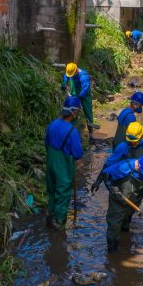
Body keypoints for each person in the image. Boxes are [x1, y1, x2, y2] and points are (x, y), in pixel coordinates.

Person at [97, 154, 143, 253]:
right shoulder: (123, 167)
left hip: (141, 196)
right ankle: (112, 254)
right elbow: (105, 175)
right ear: (138, 166)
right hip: (119, 197)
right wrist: (111, 188)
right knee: (114, 226)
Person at [45, 96, 84, 229]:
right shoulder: (72, 131)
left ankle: (50, 213)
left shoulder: (52, 124)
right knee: (63, 192)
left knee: (52, 189)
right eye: (77, 111)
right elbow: (78, 154)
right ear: (73, 112)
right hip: (63, 166)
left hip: (50, 162)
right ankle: (59, 222)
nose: (77, 114)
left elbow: (46, 144)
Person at [61, 62, 99, 132]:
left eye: (72, 75)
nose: (70, 76)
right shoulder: (70, 72)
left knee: (88, 113)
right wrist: (64, 83)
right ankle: (70, 131)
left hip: (85, 96)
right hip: (74, 94)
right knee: (72, 111)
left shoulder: (83, 76)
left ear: (76, 70)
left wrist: (79, 97)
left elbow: (85, 88)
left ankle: (91, 133)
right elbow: (66, 76)